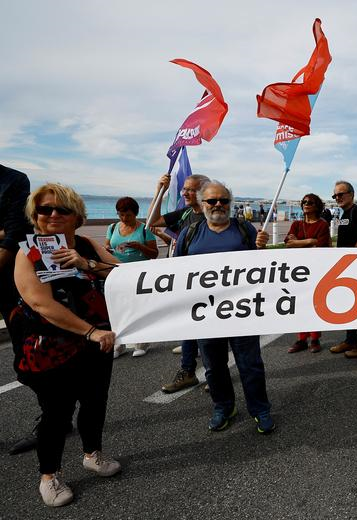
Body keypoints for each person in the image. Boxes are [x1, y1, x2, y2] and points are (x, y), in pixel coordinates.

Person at [12, 183, 121, 507]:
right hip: (51, 348)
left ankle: (92, 454)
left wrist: (85, 264)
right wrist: (90, 332)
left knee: (94, 402)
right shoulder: (28, 253)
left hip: (98, 342)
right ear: (35, 216)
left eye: (62, 209)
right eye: (45, 209)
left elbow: (123, 274)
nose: (53, 215)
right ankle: (49, 475)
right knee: (56, 414)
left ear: (77, 216)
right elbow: (41, 303)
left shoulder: (87, 244)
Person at [174, 180, 275, 433]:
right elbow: (175, 272)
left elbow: (263, 268)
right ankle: (223, 407)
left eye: (224, 200)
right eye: (212, 200)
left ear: (230, 203)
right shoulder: (190, 234)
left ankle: (260, 410)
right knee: (214, 366)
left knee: (250, 365)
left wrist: (262, 248)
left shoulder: (244, 229)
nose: (218, 205)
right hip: (206, 314)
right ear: (201, 203)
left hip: (242, 311)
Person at [147, 173, 210, 393]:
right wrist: (160, 191)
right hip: (187, 281)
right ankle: (188, 372)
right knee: (189, 328)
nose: (185, 193)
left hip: (209, 283)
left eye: (190, 189)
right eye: (184, 189)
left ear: (204, 191)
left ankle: (214, 375)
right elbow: (151, 223)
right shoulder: (185, 214)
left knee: (211, 331)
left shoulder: (213, 216)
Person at [1, 165, 41, 457]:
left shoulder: (13, 180)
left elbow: (15, 234)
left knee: (28, 358)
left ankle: (52, 417)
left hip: (12, 286)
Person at [105, 196, 159, 358]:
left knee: (138, 308)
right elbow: (108, 245)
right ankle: (119, 344)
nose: (124, 218)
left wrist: (140, 247)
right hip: (117, 272)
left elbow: (154, 254)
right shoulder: (113, 227)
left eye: (128, 215)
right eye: (121, 215)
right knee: (117, 309)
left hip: (139, 274)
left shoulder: (144, 229)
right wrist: (107, 249)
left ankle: (142, 341)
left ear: (135, 214)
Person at [329, 180, 357, 359]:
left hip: (355, 264)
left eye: (341, 194)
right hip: (346, 265)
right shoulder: (344, 213)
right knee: (348, 303)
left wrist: (352, 258)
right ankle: (350, 339)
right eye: (335, 195)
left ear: (351, 194)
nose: (337, 197)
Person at [285, 194, 330, 353]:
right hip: (298, 270)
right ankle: (301, 339)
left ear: (317, 206)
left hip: (316, 269)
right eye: (304, 202)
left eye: (310, 202)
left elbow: (322, 246)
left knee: (313, 304)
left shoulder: (322, 225)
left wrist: (301, 243)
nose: (306, 204)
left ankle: (315, 338)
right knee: (300, 304)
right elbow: (289, 244)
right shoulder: (297, 224)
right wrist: (311, 241)